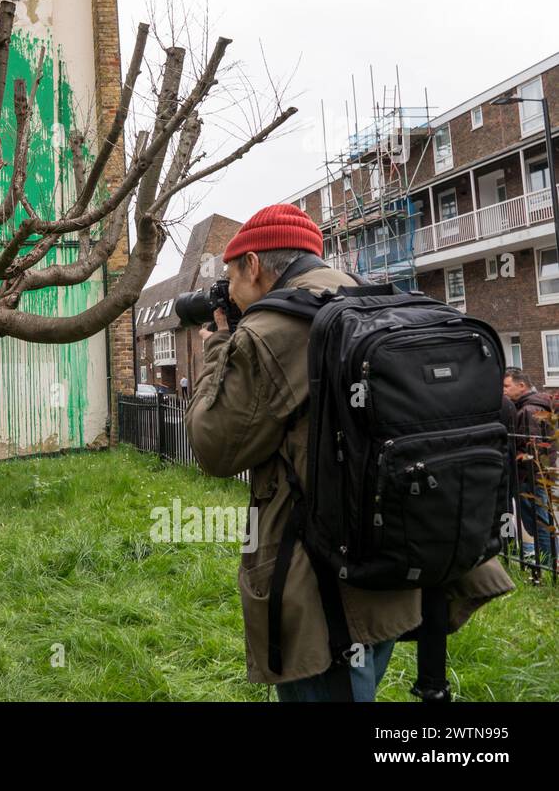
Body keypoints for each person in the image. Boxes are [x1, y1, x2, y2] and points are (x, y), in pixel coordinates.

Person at [184, 204, 512, 702]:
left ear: (252, 265)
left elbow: (214, 446)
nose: (228, 292)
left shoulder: (272, 331)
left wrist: (218, 346)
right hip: (401, 556)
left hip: (321, 584)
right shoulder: (376, 300)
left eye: (230, 276)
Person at [503, 367, 556, 573]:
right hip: (538, 475)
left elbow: (532, 449)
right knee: (541, 522)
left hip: (530, 478)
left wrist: (523, 471)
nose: (504, 391)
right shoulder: (538, 405)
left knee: (539, 524)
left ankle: (548, 567)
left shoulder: (528, 411)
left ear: (521, 385)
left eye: (507, 386)